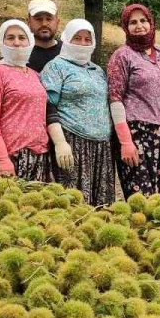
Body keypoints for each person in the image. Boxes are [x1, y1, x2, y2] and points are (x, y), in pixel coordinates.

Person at [108, 4, 160, 196]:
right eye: (133, 22)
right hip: (138, 134)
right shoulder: (122, 56)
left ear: (151, 23)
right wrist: (125, 141)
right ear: (126, 27)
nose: (139, 25)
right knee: (143, 198)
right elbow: (115, 99)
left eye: (143, 20)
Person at [41, 19, 114, 205]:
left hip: (101, 147)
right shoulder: (55, 67)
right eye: (77, 38)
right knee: (74, 204)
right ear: (66, 39)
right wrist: (60, 142)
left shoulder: (97, 70)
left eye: (87, 39)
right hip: (72, 143)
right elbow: (48, 106)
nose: (82, 43)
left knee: (101, 207)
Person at [0, 19, 53, 181]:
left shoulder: (35, 75)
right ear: (2, 41)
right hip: (8, 156)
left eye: (22, 37)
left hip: (37, 155)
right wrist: (2, 158)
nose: (16, 43)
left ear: (30, 41)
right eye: (10, 38)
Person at [26, 0, 62, 73]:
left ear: (57, 22)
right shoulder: (19, 53)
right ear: (29, 22)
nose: (44, 24)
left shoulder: (68, 51)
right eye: (38, 19)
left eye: (49, 19)